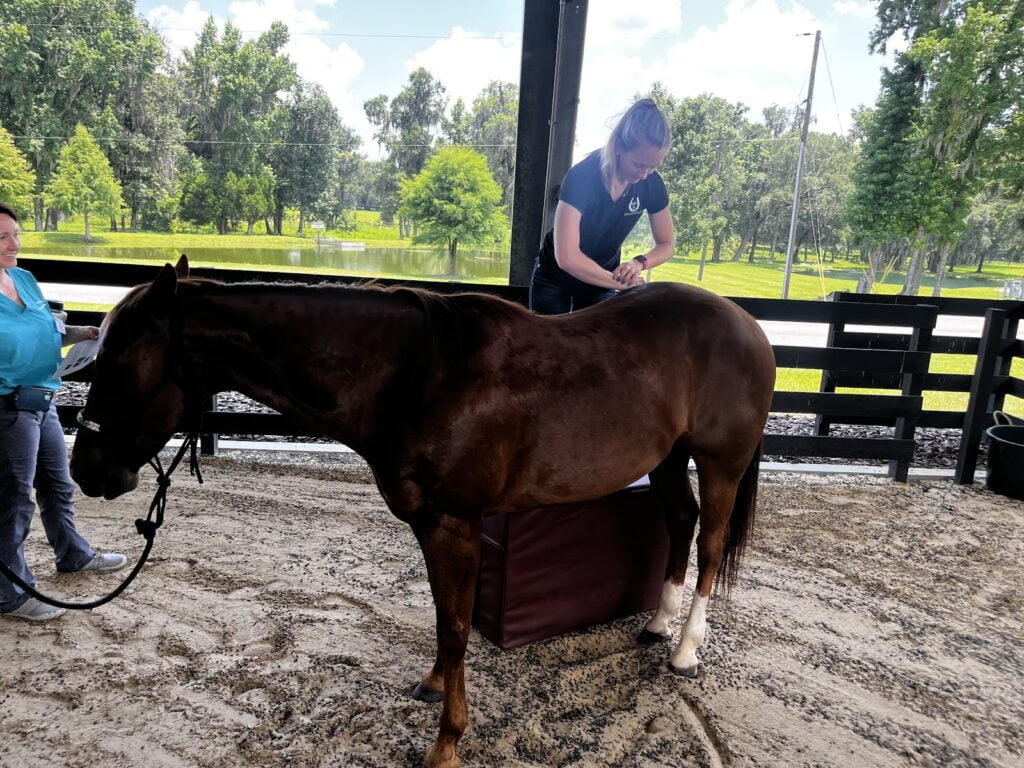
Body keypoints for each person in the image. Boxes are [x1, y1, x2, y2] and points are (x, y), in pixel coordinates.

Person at [0, 203, 126, 622]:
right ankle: (10, 593)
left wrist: (83, 334)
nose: (14, 244)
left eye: (16, 234)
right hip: (8, 409)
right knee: (14, 499)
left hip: (45, 399)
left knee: (58, 484)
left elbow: (47, 329)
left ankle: (73, 553)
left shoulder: (24, 279)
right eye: (3, 238)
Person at [530, 98, 675, 315]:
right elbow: (567, 257)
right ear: (618, 147)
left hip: (602, 280)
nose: (644, 174)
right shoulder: (581, 177)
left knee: (600, 347)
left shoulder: (651, 183)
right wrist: (621, 283)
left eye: (653, 167)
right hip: (555, 277)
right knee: (548, 346)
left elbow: (667, 244)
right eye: (638, 164)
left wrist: (638, 263)